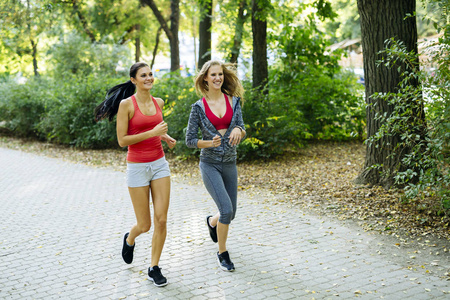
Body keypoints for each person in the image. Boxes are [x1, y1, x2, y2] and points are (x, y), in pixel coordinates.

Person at [94, 62, 176, 287]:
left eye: (151, 74)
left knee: (161, 219)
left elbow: (154, 131)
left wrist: (164, 137)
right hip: (137, 168)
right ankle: (130, 239)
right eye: (144, 75)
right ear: (134, 80)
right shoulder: (126, 105)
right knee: (145, 225)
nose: (149, 78)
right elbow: (122, 140)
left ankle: (154, 267)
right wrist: (153, 132)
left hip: (159, 165)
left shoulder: (158, 102)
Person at [185, 60, 246, 272]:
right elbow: (190, 140)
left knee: (231, 213)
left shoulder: (234, 101)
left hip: (230, 162)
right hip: (209, 164)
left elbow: (242, 128)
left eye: (220, 74)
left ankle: (212, 222)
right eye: (213, 75)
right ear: (205, 78)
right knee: (227, 210)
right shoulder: (198, 108)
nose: (218, 78)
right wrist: (209, 143)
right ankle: (222, 253)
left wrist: (239, 129)